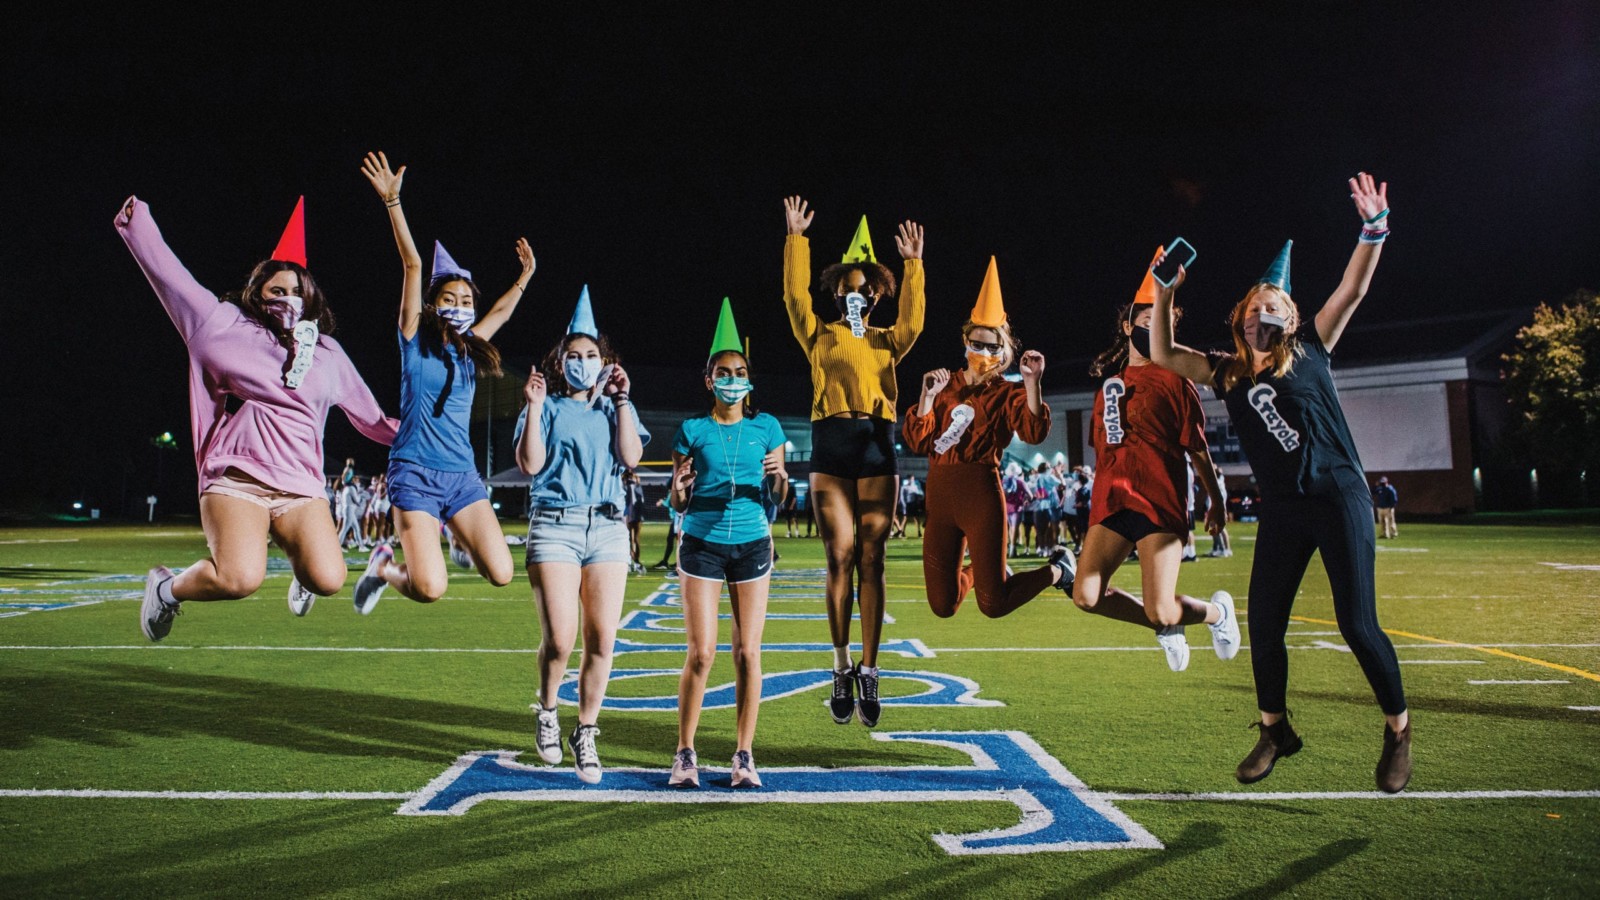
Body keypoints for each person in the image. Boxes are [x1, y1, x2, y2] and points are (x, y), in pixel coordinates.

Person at [1149, 172, 1410, 792]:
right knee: (1264, 623)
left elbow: (1352, 287)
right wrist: (1163, 291)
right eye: (1255, 304)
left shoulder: (1313, 346)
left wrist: (1373, 228)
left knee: (1356, 623)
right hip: (1285, 509)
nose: (1263, 312)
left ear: (1290, 316)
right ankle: (1275, 729)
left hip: (1339, 496)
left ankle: (1398, 729)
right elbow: (1162, 352)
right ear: (1239, 314)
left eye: (1275, 305)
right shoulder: (1227, 370)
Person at [117, 193, 398, 638]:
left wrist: (423, 439)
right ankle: (167, 590)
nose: (288, 299)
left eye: (297, 292)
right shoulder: (223, 327)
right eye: (277, 291)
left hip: (300, 486)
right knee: (239, 579)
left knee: (329, 579)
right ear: (257, 295)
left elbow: (373, 420)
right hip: (237, 479)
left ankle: (305, 572)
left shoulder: (328, 353)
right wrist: (140, 226)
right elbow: (175, 281)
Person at [349, 153, 524, 615]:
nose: (461, 306)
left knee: (503, 573)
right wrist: (393, 203)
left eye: (467, 299)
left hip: (462, 477)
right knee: (429, 588)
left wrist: (524, 280)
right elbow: (411, 264)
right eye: (450, 298)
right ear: (432, 305)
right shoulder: (413, 341)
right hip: (415, 474)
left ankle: (450, 535)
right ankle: (383, 566)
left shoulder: (470, 350)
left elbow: (501, 313)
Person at [782, 197, 926, 726]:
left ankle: (870, 668)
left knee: (874, 558)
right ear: (837, 290)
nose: (857, 295)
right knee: (839, 554)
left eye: (866, 290)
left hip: (877, 445)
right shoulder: (818, 334)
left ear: (876, 296)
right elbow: (794, 298)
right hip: (830, 446)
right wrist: (796, 240)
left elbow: (913, 322)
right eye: (849, 288)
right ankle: (840, 663)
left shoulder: (888, 342)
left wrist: (913, 264)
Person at [1070, 249, 1240, 673]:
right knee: (1086, 596)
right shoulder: (1109, 383)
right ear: (1127, 326)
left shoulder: (1174, 379)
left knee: (1162, 608)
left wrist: (1216, 503)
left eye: (1157, 325)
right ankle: (1165, 628)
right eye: (1142, 323)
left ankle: (1218, 614)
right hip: (1111, 503)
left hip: (1158, 503)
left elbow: (1197, 448)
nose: (1149, 331)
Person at [515, 285, 648, 783]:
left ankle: (586, 731)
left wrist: (622, 401)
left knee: (603, 640)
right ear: (559, 360)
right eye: (575, 355)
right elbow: (531, 464)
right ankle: (548, 710)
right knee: (560, 640)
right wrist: (531, 406)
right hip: (554, 526)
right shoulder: (547, 406)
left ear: (605, 361)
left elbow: (631, 457)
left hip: (608, 527)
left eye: (592, 355)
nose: (583, 362)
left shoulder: (614, 407)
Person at [903, 258, 1073, 624]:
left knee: (993, 604)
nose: (984, 353)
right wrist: (927, 398)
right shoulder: (943, 384)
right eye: (978, 344)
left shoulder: (1006, 391)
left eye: (993, 347)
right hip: (940, 497)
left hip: (981, 494)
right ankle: (983, 569)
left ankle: (1058, 571)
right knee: (942, 605)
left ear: (1004, 349)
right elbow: (918, 442)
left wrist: (1032, 383)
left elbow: (1033, 432)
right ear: (965, 341)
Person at [667, 300, 789, 789]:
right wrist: (678, 488)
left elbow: (779, 496)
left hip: (754, 545)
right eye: (723, 372)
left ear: (749, 380)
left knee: (749, 654)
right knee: (702, 653)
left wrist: (781, 478)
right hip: (701, 543)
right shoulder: (691, 430)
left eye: (739, 372)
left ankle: (743, 755)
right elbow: (678, 498)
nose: (732, 378)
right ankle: (685, 753)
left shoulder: (769, 428)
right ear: (709, 379)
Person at [1001, 461, 1029, 557]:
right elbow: (1030, 495)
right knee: (1015, 528)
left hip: (1007, 507)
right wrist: (1025, 499)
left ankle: (1010, 548)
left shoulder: (1004, 481)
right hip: (1017, 507)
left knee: (1009, 528)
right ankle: (1013, 549)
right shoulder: (1020, 481)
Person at [623, 468, 647, 574]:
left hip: (636, 514)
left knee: (636, 539)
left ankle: (636, 561)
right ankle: (629, 561)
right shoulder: (623, 485)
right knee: (628, 539)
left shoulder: (637, 485)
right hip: (627, 514)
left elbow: (641, 500)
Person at [1207, 463, 1233, 557]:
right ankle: (1216, 548)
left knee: (1221, 529)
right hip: (1213, 508)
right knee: (1213, 529)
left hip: (1218, 509)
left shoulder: (1218, 482)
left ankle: (1227, 549)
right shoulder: (1216, 481)